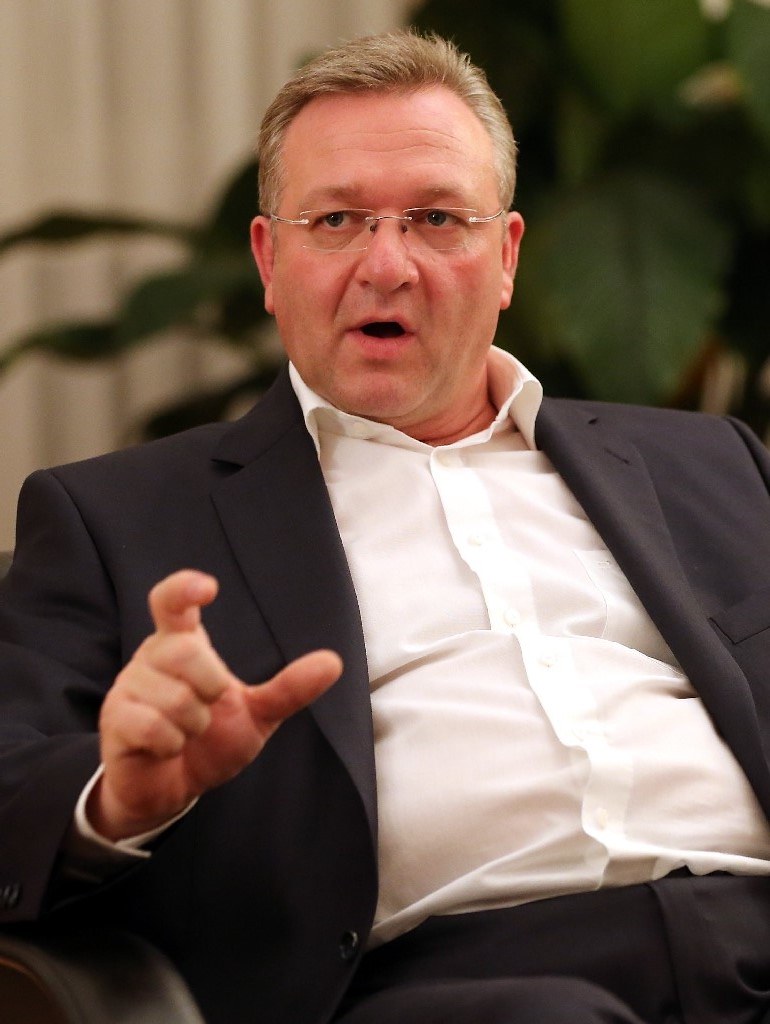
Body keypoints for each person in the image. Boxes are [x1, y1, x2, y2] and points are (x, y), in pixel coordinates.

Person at [2, 28, 770, 1024]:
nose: (387, 264)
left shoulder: (711, 464)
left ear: (505, 257)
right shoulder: (117, 519)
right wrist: (118, 796)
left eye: (436, 218)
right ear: (269, 259)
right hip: (461, 984)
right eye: (336, 221)